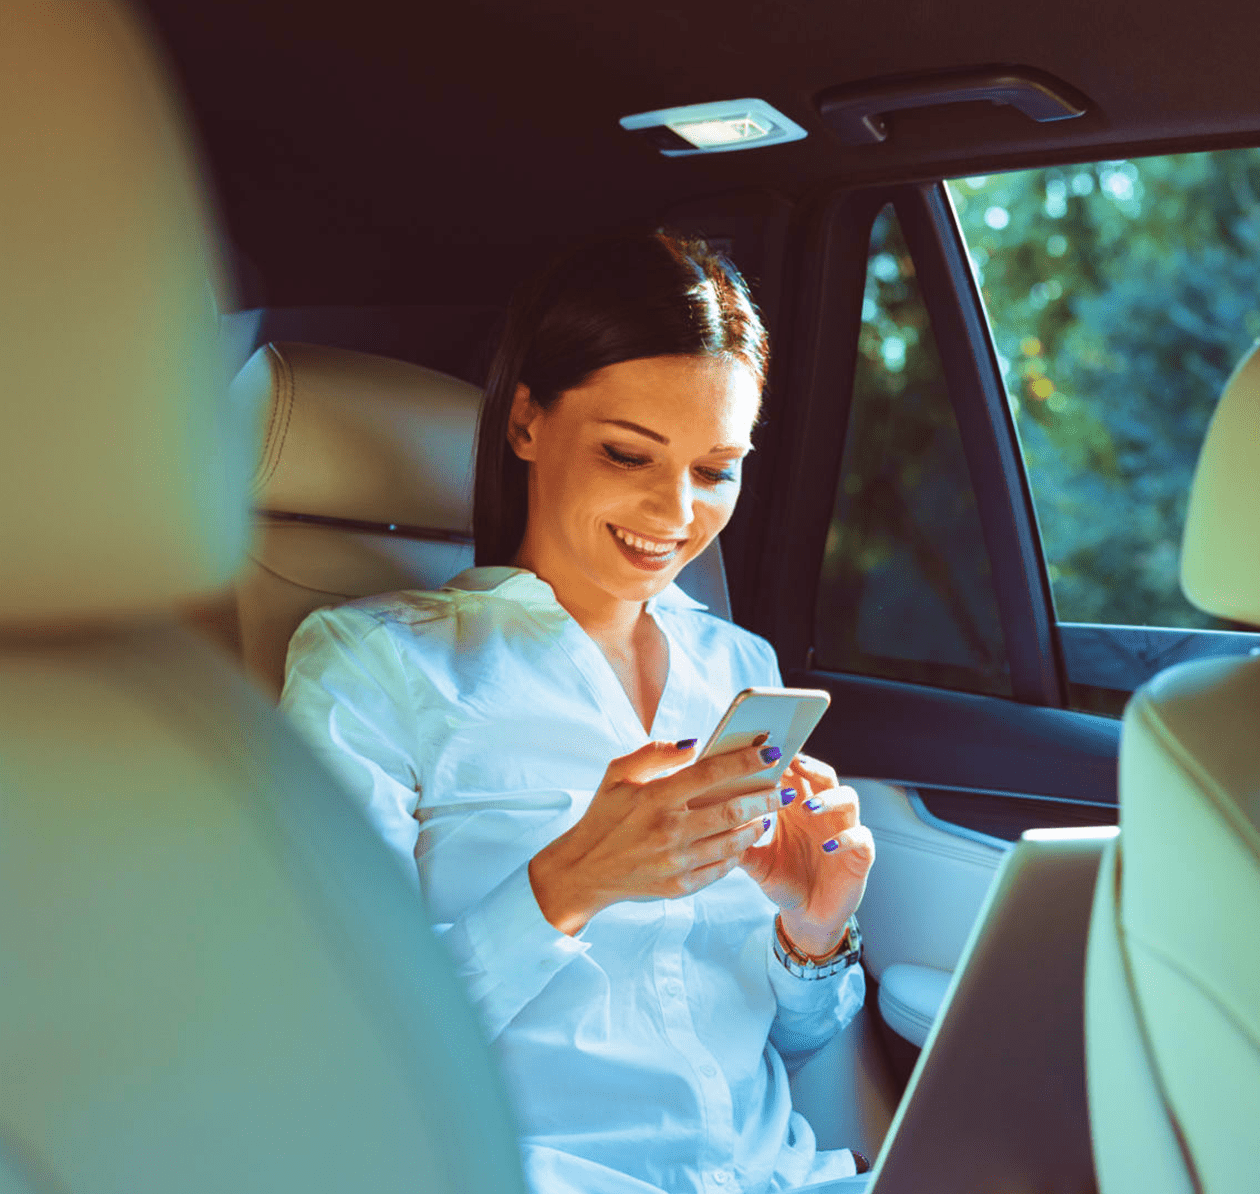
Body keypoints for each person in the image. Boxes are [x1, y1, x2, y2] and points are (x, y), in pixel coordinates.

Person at [280, 231, 877, 1194]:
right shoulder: (377, 667)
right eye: (627, 454)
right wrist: (566, 885)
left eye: (715, 469)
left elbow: (786, 1047)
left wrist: (813, 936)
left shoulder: (739, 668)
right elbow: (347, 1050)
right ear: (525, 422)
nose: (676, 511)